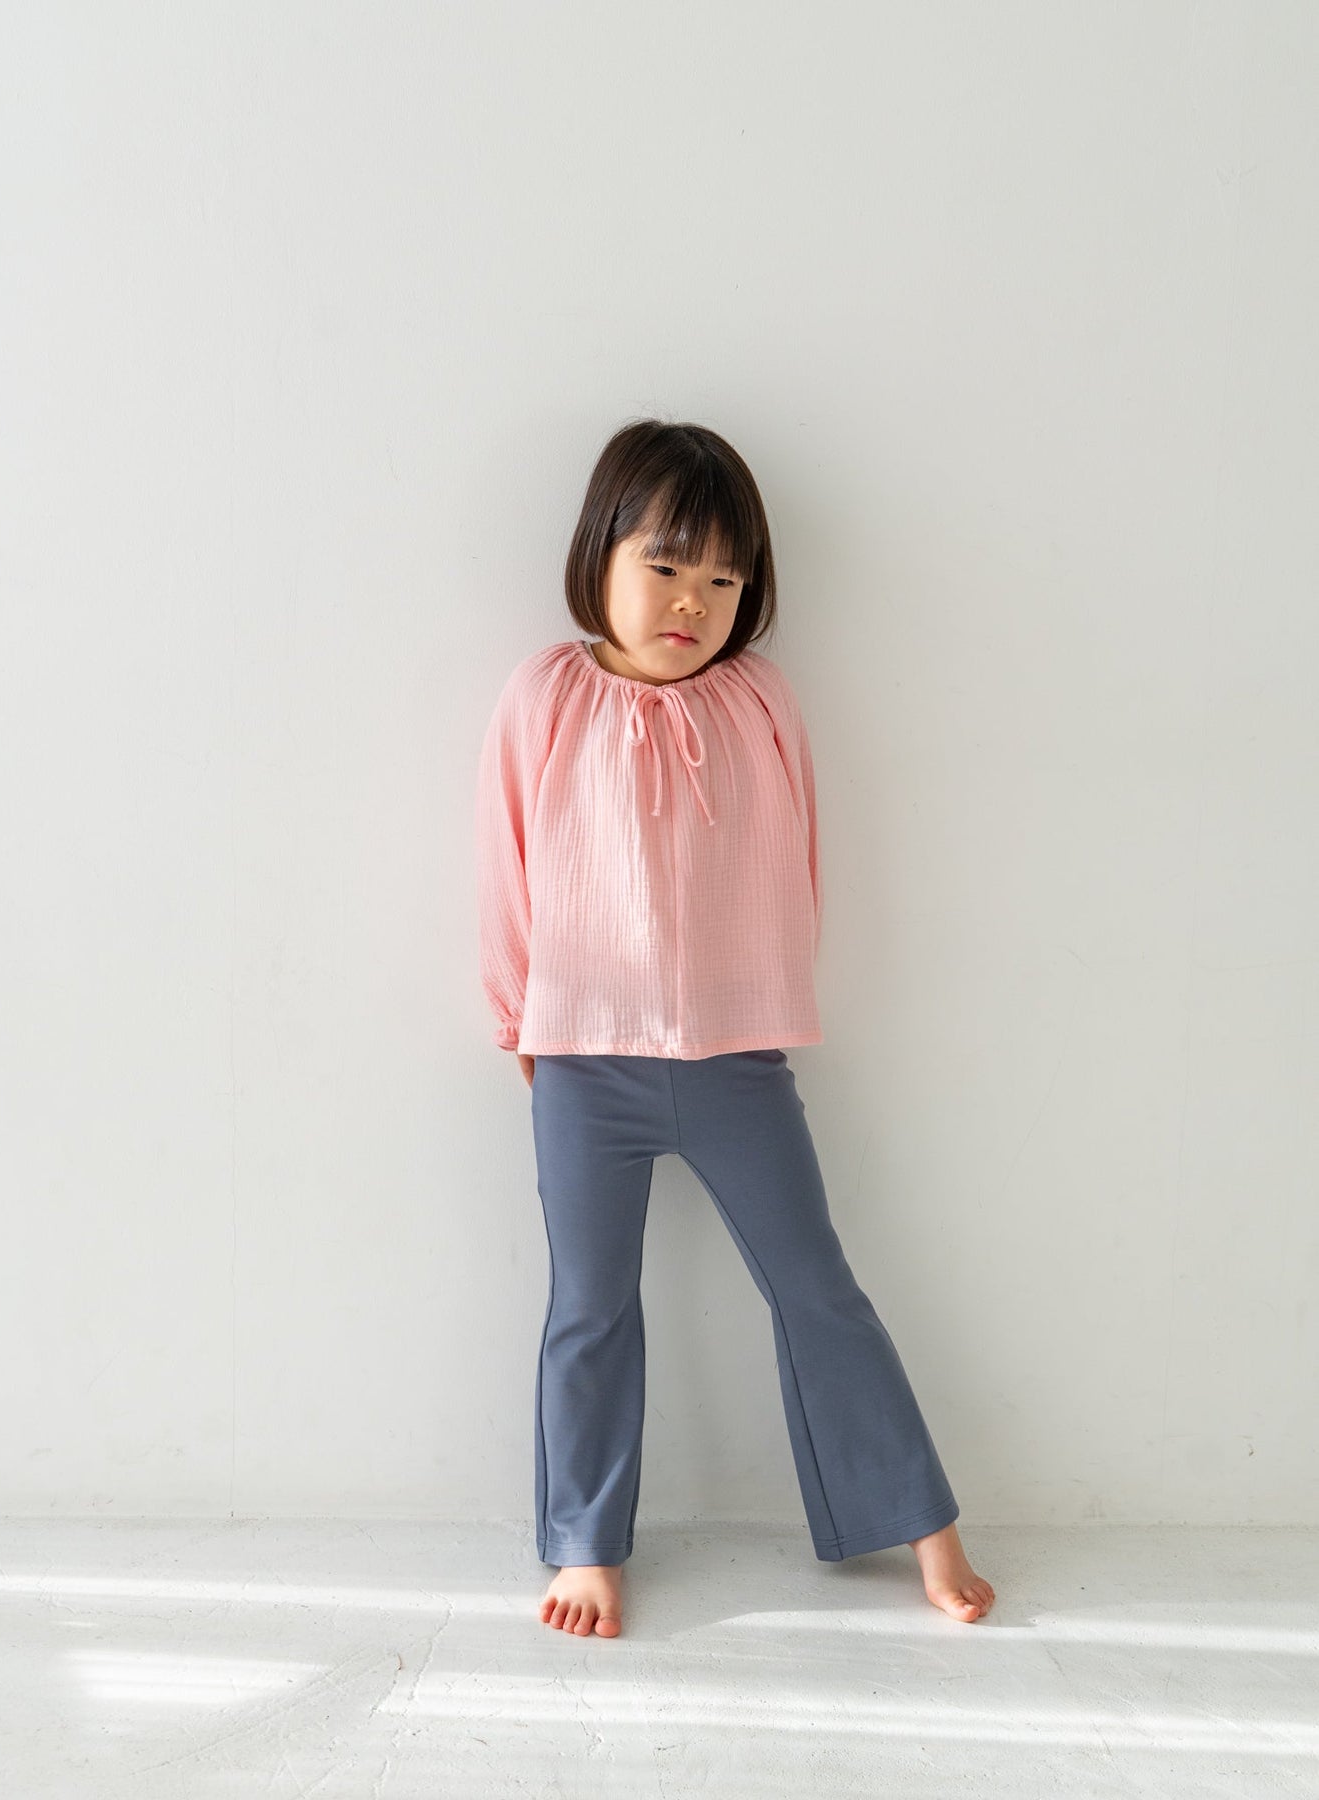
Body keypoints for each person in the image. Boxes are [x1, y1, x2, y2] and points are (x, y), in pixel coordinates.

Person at [475, 418, 995, 1640]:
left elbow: (796, 852)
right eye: (665, 566)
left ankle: (922, 1520)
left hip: (737, 1061)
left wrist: (765, 994)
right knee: (589, 1308)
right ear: (600, 554)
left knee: (818, 1288)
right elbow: (506, 864)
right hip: (584, 1057)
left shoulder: (759, 697)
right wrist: (520, 1022)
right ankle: (585, 1546)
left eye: (722, 579)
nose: (692, 602)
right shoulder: (546, 694)